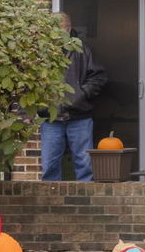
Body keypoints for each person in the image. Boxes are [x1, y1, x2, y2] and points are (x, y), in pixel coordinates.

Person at [40, 15, 108, 181]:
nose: (56, 32)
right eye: (52, 28)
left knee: (85, 166)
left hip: (79, 116)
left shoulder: (83, 50)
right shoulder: (42, 52)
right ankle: (51, 203)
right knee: (49, 165)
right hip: (50, 117)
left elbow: (98, 77)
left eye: (60, 28)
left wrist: (80, 95)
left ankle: (85, 204)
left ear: (68, 29)